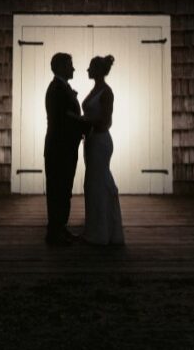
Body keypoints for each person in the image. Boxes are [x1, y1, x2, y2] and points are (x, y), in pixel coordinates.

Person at [81, 55, 125, 246]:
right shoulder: (95, 90)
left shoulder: (106, 92)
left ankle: (102, 232)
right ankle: (96, 227)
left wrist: (82, 121)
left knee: (99, 183)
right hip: (91, 141)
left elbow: (106, 121)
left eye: (90, 67)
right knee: (92, 184)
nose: (87, 70)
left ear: (98, 71)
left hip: (100, 141)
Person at [44, 52, 86, 245]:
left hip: (65, 147)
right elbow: (64, 120)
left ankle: (60, 228)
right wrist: (88, 125)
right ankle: (54, 233)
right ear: (61, 67)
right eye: (70, 65)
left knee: (64, 189)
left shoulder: (62, 87)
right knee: (58, 190)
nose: (74, 68)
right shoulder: (56, 89)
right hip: (59, 148)